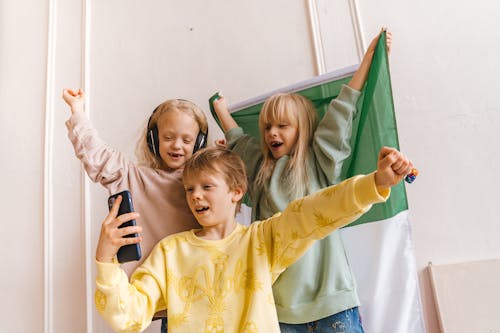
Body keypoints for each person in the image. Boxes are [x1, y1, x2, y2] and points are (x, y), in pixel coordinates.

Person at [94, 146, 412, 333]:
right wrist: (106, 260)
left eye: (206, 186)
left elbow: (315, 212)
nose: (195, 196)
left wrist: (375, 183)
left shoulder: (261, 241)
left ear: (236, 192)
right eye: (189, 189)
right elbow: (129, 315)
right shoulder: (170, 252)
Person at [211, 30, 392, 332]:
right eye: (267, 127)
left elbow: (341, 112)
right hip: (279, 310)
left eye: (283, 126)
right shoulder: (259, 172)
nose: (272, 133)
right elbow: (239, 141)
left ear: (303, 129)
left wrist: (368, 62)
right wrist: (220, 110)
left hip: (332, 303)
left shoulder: (319, 161)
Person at [62, 89, 208, 329]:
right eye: (168, 137)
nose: (177, 146)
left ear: (199, 143)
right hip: (154, 299)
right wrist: (77, 111)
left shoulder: (204, 184)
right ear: (154, 139)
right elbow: (96, 153)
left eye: (187, 139)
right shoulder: (131, 177)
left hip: (199, 298)